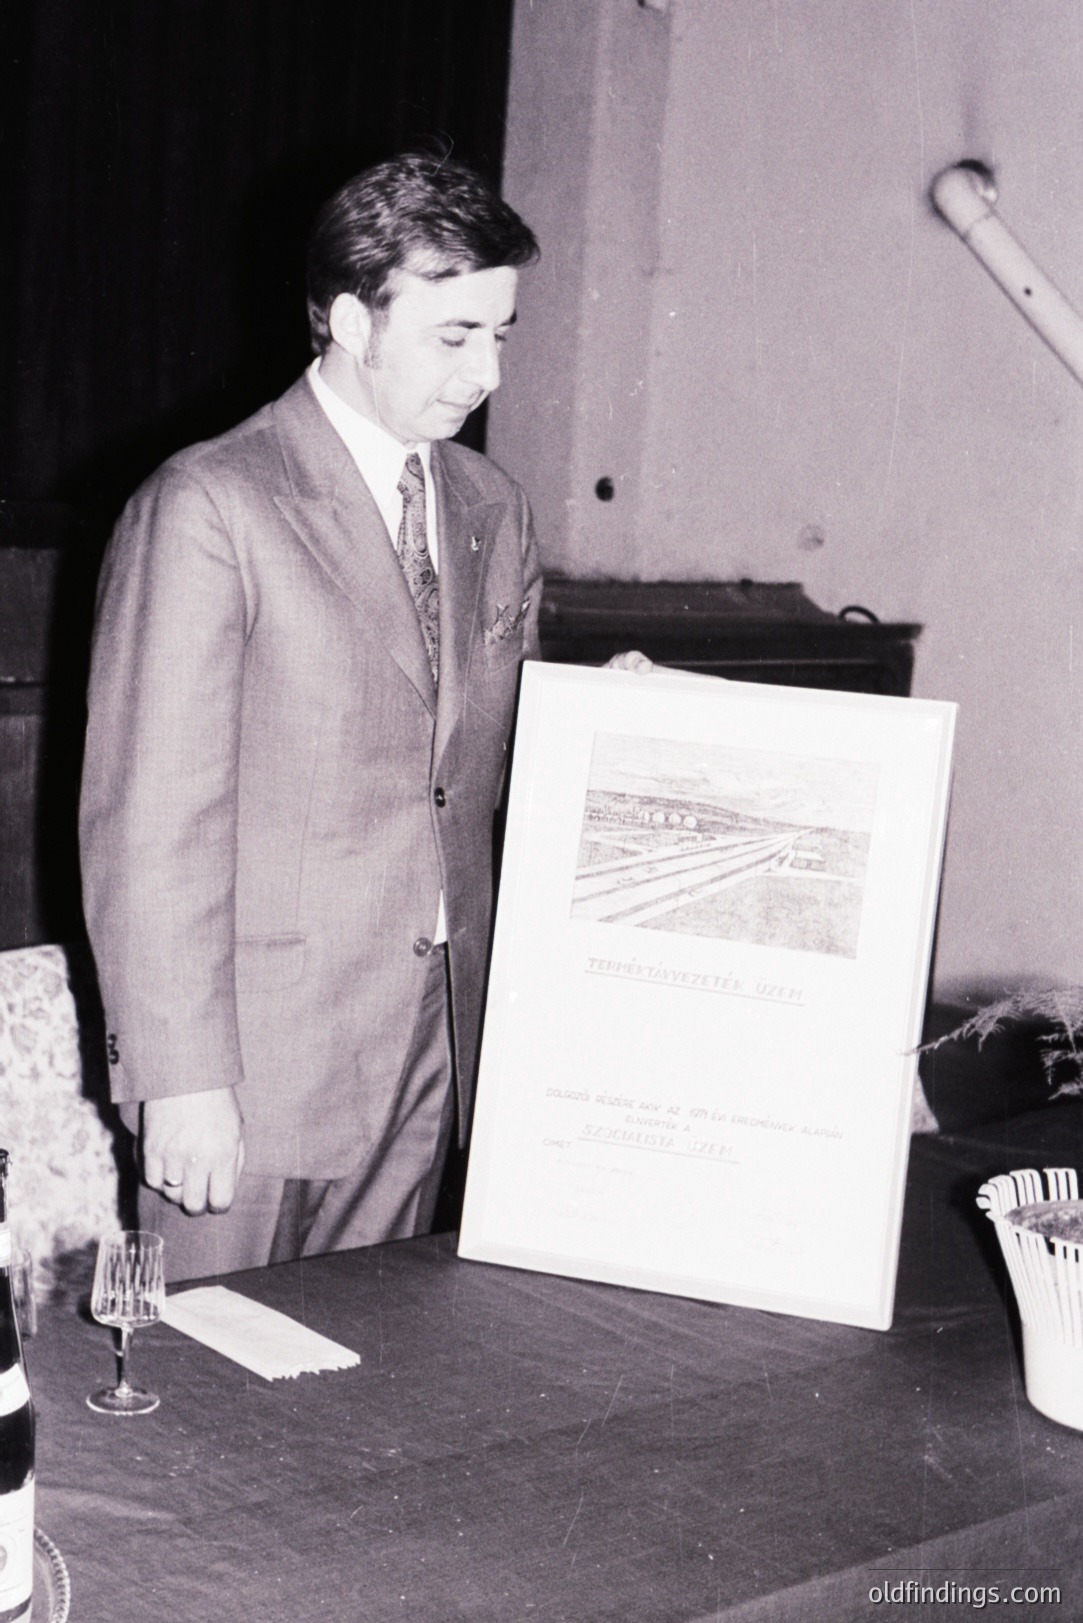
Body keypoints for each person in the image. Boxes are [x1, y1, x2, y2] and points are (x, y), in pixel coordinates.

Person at [79, 152, 546, 1281]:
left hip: (433, 1049)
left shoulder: (491, 506)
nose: (486, 372)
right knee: (202, 1404)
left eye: (501, 335)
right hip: (254, 1072)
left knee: (365, 1404)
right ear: (349, 318)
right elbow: (151, 822)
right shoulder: (211, 505)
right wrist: (181, 1080)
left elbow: (494, 758)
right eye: (455, 336)